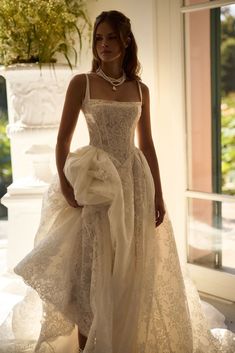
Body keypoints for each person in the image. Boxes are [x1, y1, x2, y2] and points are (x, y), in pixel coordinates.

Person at [14, 10, 234, 353]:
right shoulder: (82, 83)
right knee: (91, 271)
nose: (104, 45)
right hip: (96, 183)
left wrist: (159, 195)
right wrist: (67, 185)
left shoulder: (140, 90)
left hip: (133, 182)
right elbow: (62, 141)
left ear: (126, 41)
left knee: (130, 268)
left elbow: (146, 145)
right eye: (99, 38)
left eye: (111, 37)